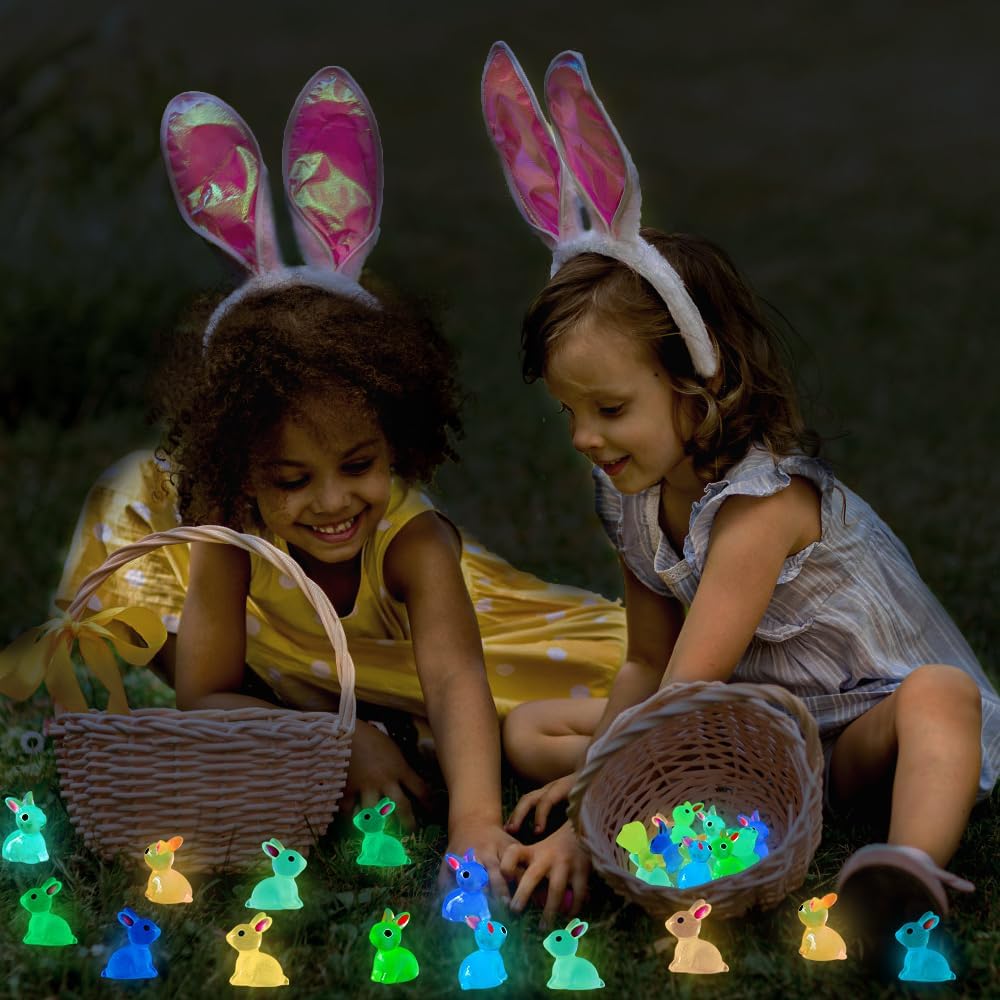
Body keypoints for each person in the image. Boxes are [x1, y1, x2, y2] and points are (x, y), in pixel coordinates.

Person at [54, 68, 626, 901]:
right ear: (242, 471)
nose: (331, 502)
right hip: (327, 675)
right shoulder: (228, 531)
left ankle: (670, 739)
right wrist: (341, 738)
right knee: (135, 570)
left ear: (397, 440)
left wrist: (473, 821)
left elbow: (457, 680)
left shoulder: (413, 543)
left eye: (359, 466)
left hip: (486, 646)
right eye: (292, 478)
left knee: (563, 708)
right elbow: (206, 696)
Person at [481, 43, 999, 941]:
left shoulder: (762, 507)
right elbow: (647, 664)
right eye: (569, 411)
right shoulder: (631, 496)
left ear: (700, 385)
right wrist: (601, 770)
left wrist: (582, 823)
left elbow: (688, 683)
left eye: (610, 409)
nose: (584, 438)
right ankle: (727, 785)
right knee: (530, 731)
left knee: (942, 693)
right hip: (764, 729)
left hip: (867, 732)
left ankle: (906, 864)